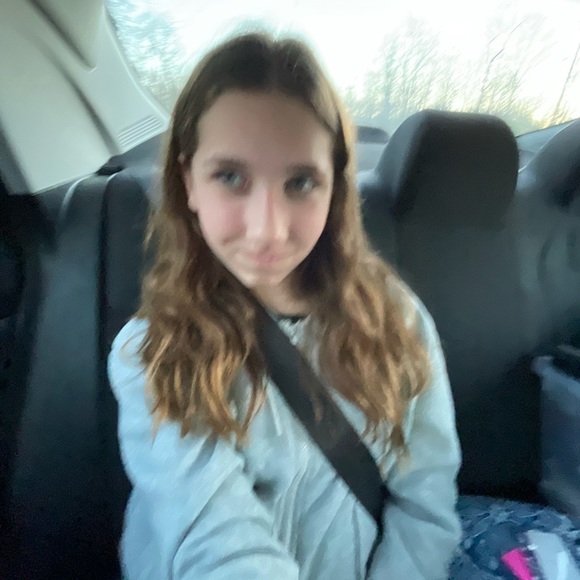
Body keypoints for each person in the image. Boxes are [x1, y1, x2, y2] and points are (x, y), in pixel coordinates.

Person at [108, 32, 462, 580]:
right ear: (188, 182)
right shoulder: (152, 352)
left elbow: (426, 504)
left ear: (334, 188)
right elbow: (217, 542)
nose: (266, 229)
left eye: (300, 182)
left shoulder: (398, 320)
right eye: (230, 177)